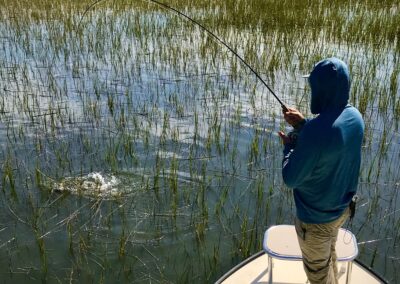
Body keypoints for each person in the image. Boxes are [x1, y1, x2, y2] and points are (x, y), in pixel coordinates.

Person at [278, 57, 365, 284]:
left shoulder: (315, 132)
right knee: (329, 256)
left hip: (316, 221)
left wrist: (289, 147)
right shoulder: (355, 117)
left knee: (317, 276)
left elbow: (290, 178)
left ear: (320, 89)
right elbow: (331, 140)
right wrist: (303, 125)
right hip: (342, 210)